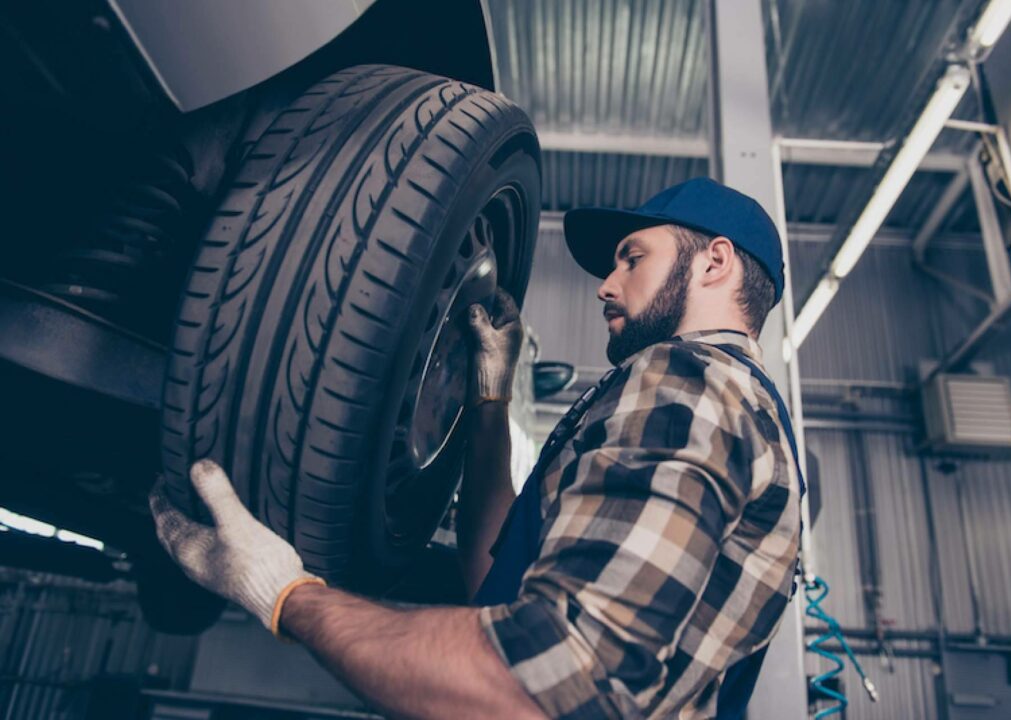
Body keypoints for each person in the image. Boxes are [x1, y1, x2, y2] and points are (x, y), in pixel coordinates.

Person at [150, 177, 803, 719]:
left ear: (714, 262)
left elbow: (544, 679)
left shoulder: (691, 381)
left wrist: (286, 596)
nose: (605, 284)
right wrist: (490, 402)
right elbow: (497, 582)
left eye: (632, 258)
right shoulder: (723, 404)